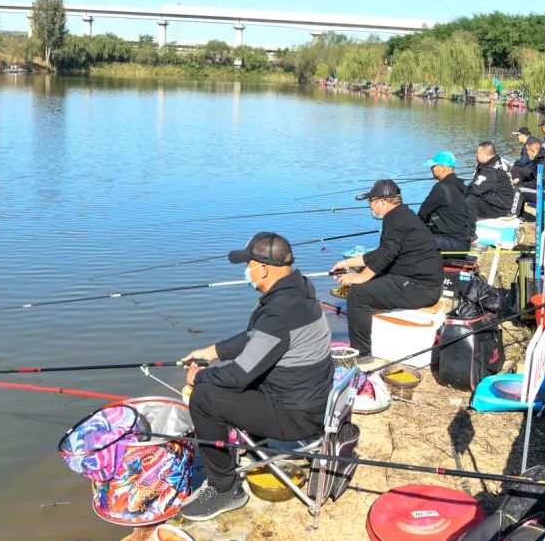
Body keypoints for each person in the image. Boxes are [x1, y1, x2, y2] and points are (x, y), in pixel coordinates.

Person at [178, 232, 333, 521]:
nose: (246, 271)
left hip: (297, 416)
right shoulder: (299, 290)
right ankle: (256, 443)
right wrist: (213, 351)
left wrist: (199, 378)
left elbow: (238, 375)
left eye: (248, 264)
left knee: (204, 397)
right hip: (310, 400)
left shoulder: (279, 312)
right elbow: (257, 338)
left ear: (263, 268)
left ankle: (224, 488)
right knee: (225, 380)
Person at [330, 179, 443, 363]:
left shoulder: (395, 219)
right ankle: (365, 325)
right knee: (366, 279)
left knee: (358, 295)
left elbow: (388, 252)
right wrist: (349, 262)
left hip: (421, 287)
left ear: (381, 202)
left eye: (371, 202)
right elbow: (384, 252)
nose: (370, 207)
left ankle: (362, 353)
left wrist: (360, 277)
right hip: (418, 280)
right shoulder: (402, 214)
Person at [416, 151, 475, 252]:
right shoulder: (462, 187)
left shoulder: (441, 188)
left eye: (433, 166)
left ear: (442, 168)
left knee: (411, 241)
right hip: (464, 243)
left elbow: (422, 214)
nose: (431, 169)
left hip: (451, 243)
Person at [465, 141, 517, 220]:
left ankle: (469, 226)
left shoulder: (491, 170)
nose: (475, 155)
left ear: (486, 156)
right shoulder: (495, 162)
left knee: (469, 200)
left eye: (477, 153)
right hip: (496, 200)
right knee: (469, 196)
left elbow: (475, 190)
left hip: (500, 208)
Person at [508, 138, 545, 218]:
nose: (527, 153)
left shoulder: (543, 162)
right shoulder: (538, 159)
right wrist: (520, 180)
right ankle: (519, 214)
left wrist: (521, 183)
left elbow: (538, 183)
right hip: (542, 187)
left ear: (533, 151)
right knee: (518, 187)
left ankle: (512, 216)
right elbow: (533, 177)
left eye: (527, 151)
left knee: (518, 190)